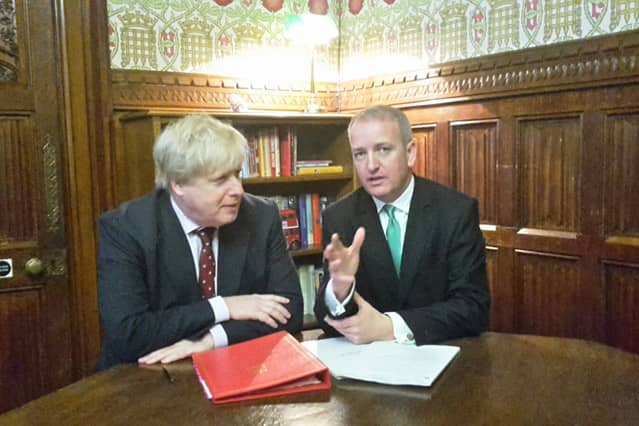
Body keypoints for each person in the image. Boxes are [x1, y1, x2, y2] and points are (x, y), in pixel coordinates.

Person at [96, 114, 303, 370]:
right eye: (220, 180)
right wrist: (224, 307)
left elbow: (290, 312)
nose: (237, 189)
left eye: (237, 174)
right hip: (143, 378)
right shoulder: (126, 228)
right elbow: (129, 334)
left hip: (236, 368)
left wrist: (212, 340)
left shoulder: (261, 215)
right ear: (179, 184)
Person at [314, 105, 489, 345]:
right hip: (369, 365)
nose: (371, 165)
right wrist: (340, 291)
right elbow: (325, 319)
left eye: (383, 149)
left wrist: (390, 327)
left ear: (410, 152)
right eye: (360, 154)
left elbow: (473, 308)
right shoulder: (339, 216)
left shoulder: (455, 211)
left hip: (440, 354)